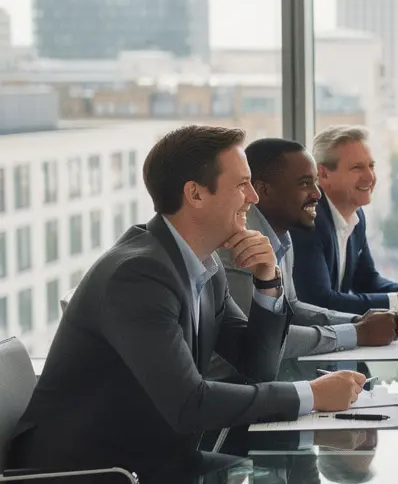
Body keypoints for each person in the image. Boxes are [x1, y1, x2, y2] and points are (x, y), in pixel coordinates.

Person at [8, 125, 367, 478]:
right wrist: (312, 395)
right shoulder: (139, 274)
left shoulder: (203, 264)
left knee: (273, 473)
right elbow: (188, 404)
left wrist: (268, 282)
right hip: (96, 469)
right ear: (195, 194)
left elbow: (256, 367)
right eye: (242, 185)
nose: (254, 198)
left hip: (154, 456)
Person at [217, 138, 398, 359]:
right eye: (305, 184)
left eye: (315, 182)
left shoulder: (282, 235)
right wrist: (356, 333)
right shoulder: (240, 242)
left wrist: (357, 320)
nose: (317, 193)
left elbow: (292, 307)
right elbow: (261, 338)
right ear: (263, 190)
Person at [291, 126, 398, 315]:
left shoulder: (357, 215)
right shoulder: (309, 219)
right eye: (357, 168)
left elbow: (366, 281)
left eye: (371, 166)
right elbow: (319, 301)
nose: (370, 177)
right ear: (323, 174)